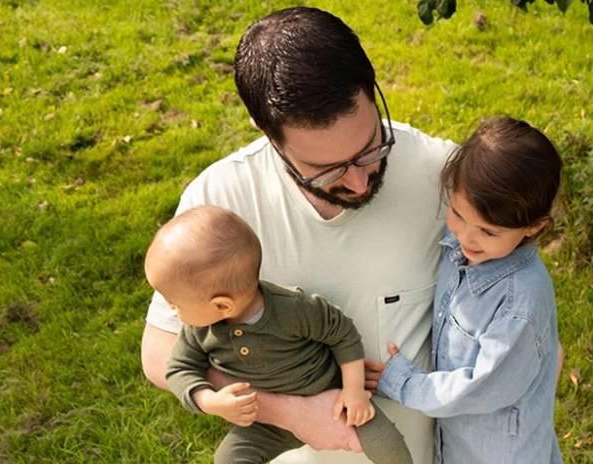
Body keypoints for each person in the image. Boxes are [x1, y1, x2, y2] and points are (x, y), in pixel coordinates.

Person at [140, 6, 458, 463]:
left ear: (373, 90)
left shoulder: (443, 179)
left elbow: (520, 322)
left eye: (370, 148)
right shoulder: (220, 199)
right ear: (267, 134)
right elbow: (160, 350)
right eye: (326, 169)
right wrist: (289, 412)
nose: (359, 182)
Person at [144, 205, 412, 464]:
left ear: (222, 306)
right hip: (268, 423)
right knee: (229, 458)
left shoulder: (293, 308)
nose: (171, 309)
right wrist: (209, 400)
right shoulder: (198, 331)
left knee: (385, 442)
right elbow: (179, 368)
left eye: (174, 303)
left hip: (332, 396)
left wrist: (353, 391)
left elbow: (342, 334)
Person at [376, 117, 564, 463]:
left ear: (534, 227)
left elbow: (482, 386)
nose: (467, 238)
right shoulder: (458, 249)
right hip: (461, 446)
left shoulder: (517, 302)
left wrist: (403, 383)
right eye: (458, 215)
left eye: (489, 232)